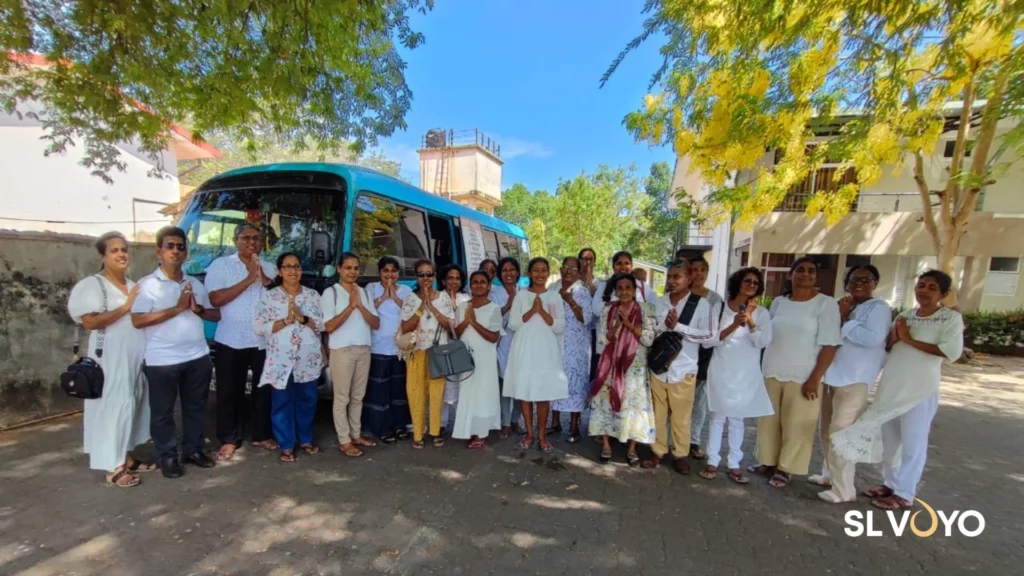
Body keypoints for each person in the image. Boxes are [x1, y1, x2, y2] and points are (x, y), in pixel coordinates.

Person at [832, 271, 963, 510]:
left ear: (943, 294)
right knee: (891, 440)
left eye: (932, 287)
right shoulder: (906, 315)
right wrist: (895, 337)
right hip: (892, 385)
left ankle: (905, 493)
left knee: (913, 443)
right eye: (921, 285)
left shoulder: (949, 319)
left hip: (919, 389)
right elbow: (889, 345)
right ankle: (889, 484)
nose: (924, 290)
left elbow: (951, 351)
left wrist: (909, 339)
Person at [131, 226, 221, 479]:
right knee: (162, 413)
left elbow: (216, 314)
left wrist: (198, 310)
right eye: (170, 246)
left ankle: (193, 450)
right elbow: (137, 320)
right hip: (162, 361)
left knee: (196, 408)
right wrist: (177, 307)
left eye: (180, 246)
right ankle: (168, 456)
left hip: (197, 357)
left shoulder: (194, 283)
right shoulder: (147, 285)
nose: (176, 251)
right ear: (159, 251)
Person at [67, 232, 153, 488]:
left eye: (124, 249)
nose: (121, 254)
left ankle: (126, 456)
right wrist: (125, 307)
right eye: (114, 250)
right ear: (103, 256)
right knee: (112, 407)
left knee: (132, 404)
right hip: (109, 358)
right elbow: (90, 322)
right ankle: (112, 466)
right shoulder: (93, 285)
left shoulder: (132, 284)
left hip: (133, 357)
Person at [751, 256, 841, 488]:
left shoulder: (825, 304)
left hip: (803, 376)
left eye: (811, 271)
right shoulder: (779, 302)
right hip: (772, 370)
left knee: (797, 424)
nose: (806, 274)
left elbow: (830, 345)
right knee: (768, 421)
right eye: (800, 270)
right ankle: (767, 462)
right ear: (791, 275)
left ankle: (786, 468)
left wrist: (815, 378)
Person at [813, 265, 891, 502]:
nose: (858, 283)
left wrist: (846, 319)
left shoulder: (878, 309)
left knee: (841, 433)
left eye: (865, 279)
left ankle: (844, 490)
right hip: (832, 376)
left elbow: (872, 338)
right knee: (825, 431)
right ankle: (829, 474)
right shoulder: (844, 303)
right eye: (854, 279)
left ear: (875, 283)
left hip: (856, 379)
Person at [204, 223, 278, 462]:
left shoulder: (269, 267)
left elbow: (278, 298)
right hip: (231, 339)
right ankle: (229, 439)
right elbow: (215, 299)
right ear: (236, 240)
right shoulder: (221, 265)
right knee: (229, 391)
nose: (252, 242)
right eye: (246, 237)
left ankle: (261, 434)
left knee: (263, 390)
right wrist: (248, 279)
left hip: (262, 341)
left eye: (257, 238)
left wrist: (262, 276)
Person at [697, 267, 773, 484]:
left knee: (738, 419)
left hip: (746, 371)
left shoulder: (763, 314)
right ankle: (713, 459)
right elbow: (707, 340)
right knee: (718, 416)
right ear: (738, 282)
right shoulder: (719, 309)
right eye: (747, 280)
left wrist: (749, 320)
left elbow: (762, 342)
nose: (751, 285)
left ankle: (734, 463)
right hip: (721, 367)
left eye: (755, 283)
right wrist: (734, 324)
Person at [643, 260, 715, 474]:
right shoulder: (659, 302)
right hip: (658, 368)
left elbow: (710, 337)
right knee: (658, 413)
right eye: (670, 276)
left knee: (681, 417)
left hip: (684, 369)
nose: (672, 281)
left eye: (678, 276)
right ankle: (657, 451)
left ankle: (680, 454)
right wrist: (663, 327)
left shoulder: (701, 305)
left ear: (689, 278)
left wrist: (679, 327)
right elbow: (652, 330)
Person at [253, 253, 325, 463]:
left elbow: (323, 324)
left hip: (308, 358)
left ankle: (305, 440)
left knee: (307, 400)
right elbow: (259, 327)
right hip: (281, 360)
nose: (293, 271)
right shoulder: (270, 297)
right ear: (279, 271)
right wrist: (285, 320)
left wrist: (303, 319)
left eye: (297, 266)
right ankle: (286, 444)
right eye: (288, 267)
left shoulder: (312, 295)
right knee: (282, 402)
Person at [589, 273, 657, 465]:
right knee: (605, 403)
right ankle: (606, 444)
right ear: (615, 291)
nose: (624, 291)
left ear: (635, 291)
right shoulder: (608, 310)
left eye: (628, 288)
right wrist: (618, 325)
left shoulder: (645, 309)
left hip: (635, 366)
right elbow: (603, 339)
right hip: (610, 365)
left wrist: (629, 325)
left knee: (634, 406)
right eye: (620, 288)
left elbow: (649, 339)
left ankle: (632, 447)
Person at [504, 257, 568, 453]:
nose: (540, 274)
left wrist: (543, 311)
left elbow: (559, 326)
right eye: (536, 270)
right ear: (530, 273)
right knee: (525, 391)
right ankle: (529, 434)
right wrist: (533, 310)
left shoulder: (555, 297)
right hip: (524, 348)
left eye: (543, 270)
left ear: (548, 273)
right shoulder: (521, 296)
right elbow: (513, 324)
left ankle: (541, 435)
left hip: (546, 349)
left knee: (543, 393)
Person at [321, 252, 380, 457]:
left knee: (358, 396)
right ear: (339, 269)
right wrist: (350, 306)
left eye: (356, 268)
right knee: (341, 397)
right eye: (348, 267)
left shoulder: (364, 293)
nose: (352, 272)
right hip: (342, 350)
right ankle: (344, 440)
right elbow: (329, 326)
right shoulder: (331, 293)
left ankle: (355, 434)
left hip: (364, 349)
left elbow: (375, 323)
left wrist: (360, 305)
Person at [399, 260, 456, 449]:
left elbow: (450, 326)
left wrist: (432, 307)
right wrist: (421, 308)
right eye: (422, 274)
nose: (426, 278)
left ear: (434, 276)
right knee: (415, 393)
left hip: (437, 351)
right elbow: (405, 327)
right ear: (416, 277)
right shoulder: (410, 298)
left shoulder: (443, 297)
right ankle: (417, 433)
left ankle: (435, 432)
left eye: (429, 274)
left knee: (436, 393)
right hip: (416, 352)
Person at [362, 256, 414, 444]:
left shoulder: (407, 290)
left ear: (398, 273)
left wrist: (395, 297)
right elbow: (367, 310)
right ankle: (381, 427)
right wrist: (384, 296)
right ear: (380, 272)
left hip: (399, 349)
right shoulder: (371, 289)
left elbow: (411, 312)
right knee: (379, 390)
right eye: (386, 271)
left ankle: (399, 425)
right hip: (377, 347)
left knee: (398, 390)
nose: (389, 275)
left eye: (393, 271)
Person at [452, 271, 503, 449]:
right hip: (466, 357)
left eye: (483, 282)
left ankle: (482, 432)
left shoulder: (494, 308)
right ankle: (468, 429)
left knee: (483, 395)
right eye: (475, 282)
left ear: (489, 286)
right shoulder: (462, 307)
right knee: (467, 393)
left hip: (485, 359)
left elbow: (493, 337)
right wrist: (466, 322)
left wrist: (473, 322)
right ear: (470, 285)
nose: (479, 285)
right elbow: (457, 334)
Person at [549, 256, 593, 443]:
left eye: (573, 269)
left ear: (579, 272)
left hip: (577, 347)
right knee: (555, 382)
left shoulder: (582, 291)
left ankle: (573, 427)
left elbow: (587, 319)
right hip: (556, 343)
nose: (568, 271)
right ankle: (555, 421)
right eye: (565, 267)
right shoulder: (553, 289)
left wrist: (570, 301)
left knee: (575, 385)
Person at [688, 256, 724, 461]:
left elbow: (715, 331)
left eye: (703, 269)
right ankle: (671, 440)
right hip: (680, 355)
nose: (698, 274)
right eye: (694, 269)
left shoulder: (715, 300)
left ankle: (693, 441)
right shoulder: (679, 295)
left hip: (704, 355)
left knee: (699, 401)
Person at [493, 257, 523, 438]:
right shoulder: (494, 293)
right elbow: (493, 318)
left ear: (518, 272)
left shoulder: (525, 292)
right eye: (505, 270)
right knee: (504, 385)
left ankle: (515, 420)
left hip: (520, 344)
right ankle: (504, 422)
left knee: (519, 385)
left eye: (512, 270)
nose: (509, 274)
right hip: (502, 344)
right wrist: (509, 303)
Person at [439, 264, 471, 433]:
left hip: (460, 347)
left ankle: (461, 424)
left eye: (457, 278)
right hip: (441, 347)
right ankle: (441, 424)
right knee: (441, 385)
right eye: (450, 277)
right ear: (443, 280)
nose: (454, 281)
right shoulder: (437, 297)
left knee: (460, 384)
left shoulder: (465, 299)